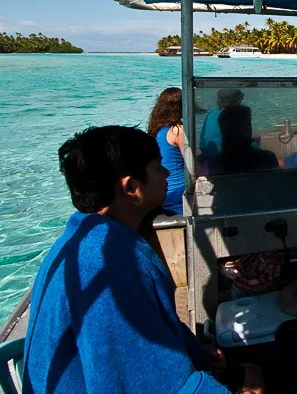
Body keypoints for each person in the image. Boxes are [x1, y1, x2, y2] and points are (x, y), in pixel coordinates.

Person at [22, 125, 264, 394]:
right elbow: (151, 384)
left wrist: (195, 352)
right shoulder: (108, 269)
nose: (166, 173)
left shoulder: (83, 239)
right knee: (254, 379)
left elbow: (147, 330)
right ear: (131, 187)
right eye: (158, 166)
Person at [147, 86, 186, 215]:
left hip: (163, 191)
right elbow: (192, 162)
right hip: (179, 191)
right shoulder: (178, 130)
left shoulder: (157, 130)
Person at [214, 105, 279, 175]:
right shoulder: (266, 158)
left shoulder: (217, 164)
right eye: (248, 124)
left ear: (222, 130)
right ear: (245, 128)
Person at [199, 88, 245, 159]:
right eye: (241, 98)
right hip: (225, 159)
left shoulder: (211, 114)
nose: (241, 101)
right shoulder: (234, 116)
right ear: (235, 101)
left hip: (208, 158)